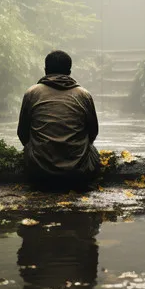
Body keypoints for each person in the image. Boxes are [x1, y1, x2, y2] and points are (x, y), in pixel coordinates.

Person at [17, 50, 100, 188]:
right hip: (77, 173)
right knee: (93, 151)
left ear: (45, 70)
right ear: (69, 71)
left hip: (39, 172)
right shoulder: (84, 95)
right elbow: (93, 133)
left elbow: (23, 134)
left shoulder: (32, 93)